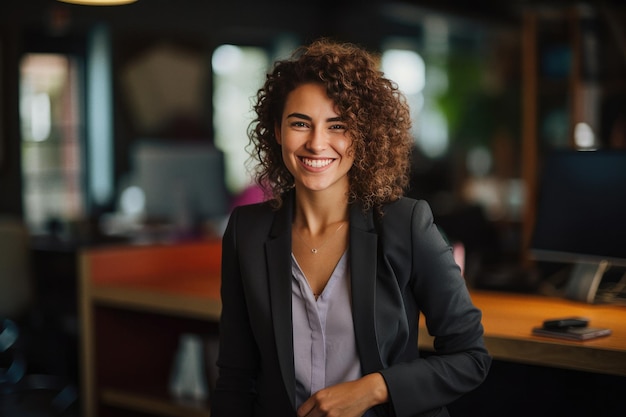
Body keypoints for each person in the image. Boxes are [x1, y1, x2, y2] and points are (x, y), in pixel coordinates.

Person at [212, 38, 491, 417]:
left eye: (337, 125)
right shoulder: (247, 232)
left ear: (362, 137)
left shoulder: (406, 225)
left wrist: (375, 388)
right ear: (277, 131)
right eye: (300, 123)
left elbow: (470, 356)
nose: (316, 143)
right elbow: (235, 376)